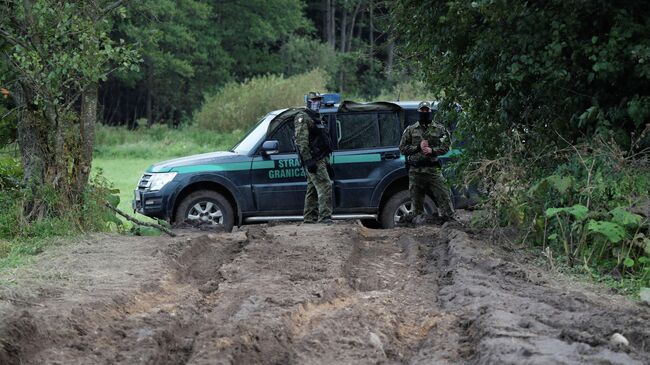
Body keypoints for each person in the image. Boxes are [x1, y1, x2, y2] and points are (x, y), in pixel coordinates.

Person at [399, 101, 456, 224]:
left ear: (430, 112)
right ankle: (419, 226)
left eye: (427, 111)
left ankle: (450, 221)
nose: (424, 113)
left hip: (433, 170)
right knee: (416, 201)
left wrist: (432, 151)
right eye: (422, 111)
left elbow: (447, 147)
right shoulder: (411, 130)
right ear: (419, 112)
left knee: (444, 194)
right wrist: (417, 148)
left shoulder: (440, 129)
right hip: (416, 171)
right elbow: (402, 149)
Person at [294, 91, 333, 223]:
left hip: (321, 158)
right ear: (309, 102)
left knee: (312, 188)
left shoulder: (317, 117)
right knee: (325, 185)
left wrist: (326, 161)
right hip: (314, 159)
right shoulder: (303, 117)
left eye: (319, 100)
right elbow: (301, 141)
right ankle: (325, 218)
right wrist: (308, 160)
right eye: (314, 100)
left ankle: (310, 218)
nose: (317, 103)